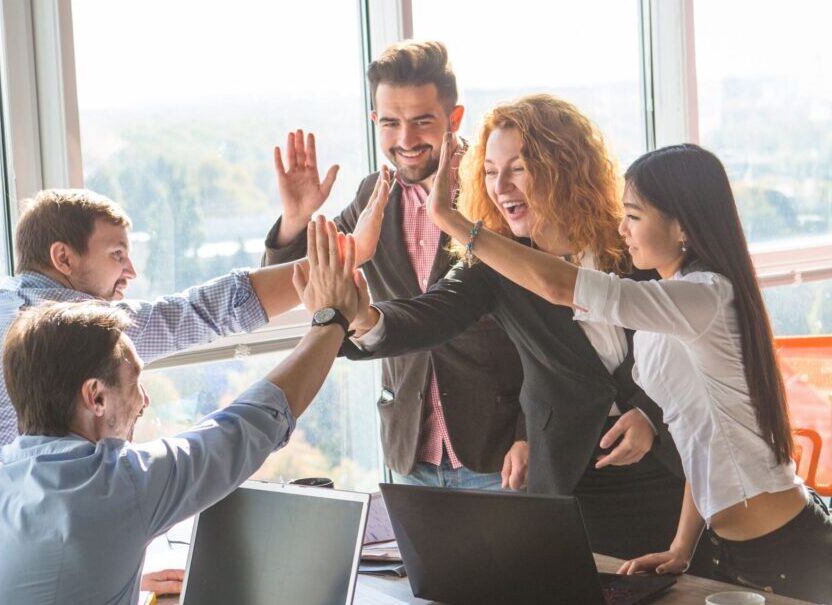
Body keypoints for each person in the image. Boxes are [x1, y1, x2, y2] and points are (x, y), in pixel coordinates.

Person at [0, 189, 307, 603]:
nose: (131, 272)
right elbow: (199, 314)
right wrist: (333, 269)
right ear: (63, 259)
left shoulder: (3, 304)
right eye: (117, 254)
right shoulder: (50, 328)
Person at [425, 139, 832, 602]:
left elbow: (561, 285)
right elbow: (697, 436)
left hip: (784, 549)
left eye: (634, 216)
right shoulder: (673, 302)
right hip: (729, 549)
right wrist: (681, 547)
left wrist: (456, 223)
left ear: (682, 226)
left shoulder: (705, 297)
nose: (621, 228)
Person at [0, 218, 366, 604]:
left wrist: (119, 573)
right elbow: (247, 426)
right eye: (135, 383)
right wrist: (332, 321)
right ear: (95, 396)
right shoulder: (115, 484)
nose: (144, 402)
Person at [339, 95, 691, 562]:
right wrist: (363, 318)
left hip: (668, 472)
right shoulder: (493, 262)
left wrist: (648, 412)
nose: (501, 186)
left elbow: (691, 339)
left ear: (564, 166)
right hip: (569, 481)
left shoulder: (632, 241)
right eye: (488, 171)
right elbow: (428, 314)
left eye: (519, 169)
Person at [263, 40, 526, 491]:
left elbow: (546, 328)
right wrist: (295, 218)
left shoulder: (494, 192)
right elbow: (296, 283)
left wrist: (528, 434)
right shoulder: (372, 196)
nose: (405, 140)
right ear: (375, 123)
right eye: (390, 123)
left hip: (497, 452)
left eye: (422, 121)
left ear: (454, 119)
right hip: (410, 451)